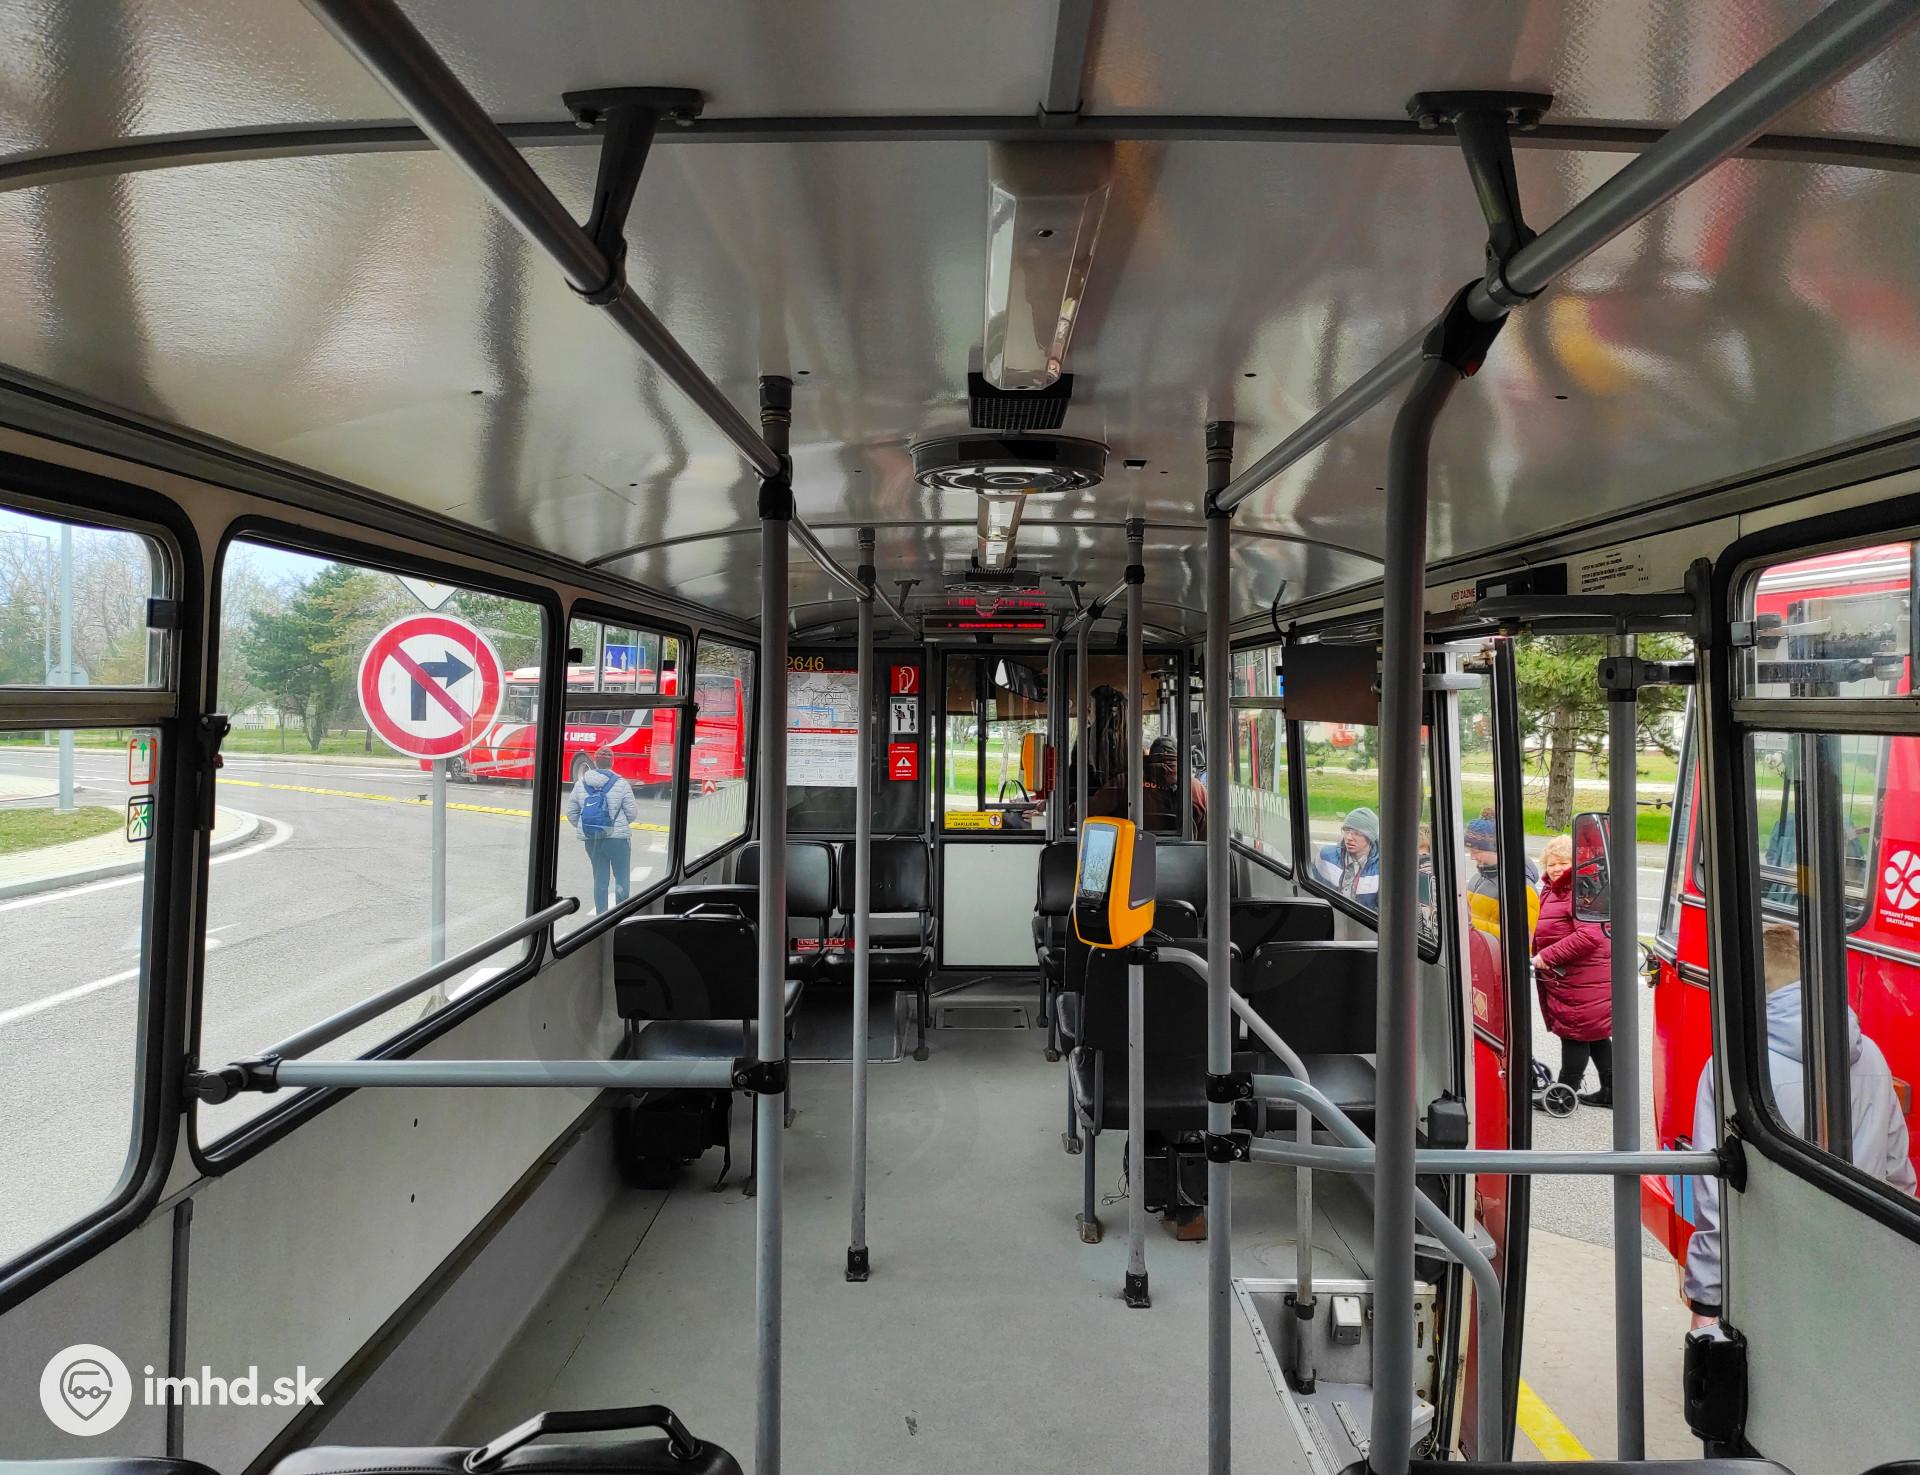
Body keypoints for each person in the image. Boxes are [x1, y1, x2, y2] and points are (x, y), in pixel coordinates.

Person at [1684, 921, 1916, 1326]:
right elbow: (1898, 1174)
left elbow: (1716, 1195)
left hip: (1769, 1281)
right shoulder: (1872, 1055)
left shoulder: (1733, 1069)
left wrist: (1707, 1298)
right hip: (1857, 1271)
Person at [1531, 834, 1614, 1108]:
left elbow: (1590, 936)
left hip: (1581, 977)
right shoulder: (1555, 889)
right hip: (1577, 976)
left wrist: (1547, 956)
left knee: (1575, 1033)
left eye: (1563, 863)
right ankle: (1612, 1091)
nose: (1556, 869)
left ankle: (1563, 1096)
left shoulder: (1580, 891)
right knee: (1595, 1034)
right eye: (1551, 863)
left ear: (1576, 864)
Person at [564, 747, 638, 914]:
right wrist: (617, 825)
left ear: (595, 762)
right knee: (622, 878)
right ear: (612, 762)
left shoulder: (581, 784)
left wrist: (589, 827)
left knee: (600, 880)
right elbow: (632, 813)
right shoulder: (621, 784)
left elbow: (572, 813)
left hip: (593, 840)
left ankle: (601, 917)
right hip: (618, 840)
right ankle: (620, 915)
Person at [1087, 735, 1207, 836]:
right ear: (1179, 757)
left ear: (1150, 756)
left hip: (1132, 853)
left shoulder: (1124, 782)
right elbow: (1208, 835)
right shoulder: (1197, 789)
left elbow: (1091, 810)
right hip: (1184, 855)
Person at [1463, 816, 1541, 939]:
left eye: (1476, 852)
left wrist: (1469, 925)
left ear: (1496, 850)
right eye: (1470, 851)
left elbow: (1521, 937)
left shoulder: (1523, 889)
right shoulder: (1476, 878)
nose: (1472, 857)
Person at [1314, 807, 1380, 912]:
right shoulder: (1325, 857)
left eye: (1357, 833)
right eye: (1346, 830)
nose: (1349, 837)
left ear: (1370, 837)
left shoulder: (1381, 869)